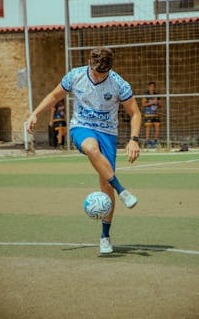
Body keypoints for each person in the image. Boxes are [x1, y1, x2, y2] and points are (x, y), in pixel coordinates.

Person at [26, 47, 141, 254]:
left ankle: (105, 236)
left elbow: (135, 113)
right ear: (89, 63)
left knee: (105, 186)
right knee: (90, 147)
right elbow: (54, 96)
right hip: (82, 127)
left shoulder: (119, 84)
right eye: (96, 72)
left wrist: (134, 140)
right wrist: (35, 113)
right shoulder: (75, 76)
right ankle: (122, 190)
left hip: (108, 133)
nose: (99, 76)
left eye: (103, 73)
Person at [142, 81, 161, 148]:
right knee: (148, 127)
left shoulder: (157, 95)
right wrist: (152, 102)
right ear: (149, 87)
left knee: (158, 126)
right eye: (151, 86)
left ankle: (155, 141)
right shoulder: (146, 95)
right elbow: (143, 104)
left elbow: (160, 105)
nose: (152, 88)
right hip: (148, 114)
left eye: (154, 86)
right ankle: (148, 141)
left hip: (155, 114)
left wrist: (158, 103)